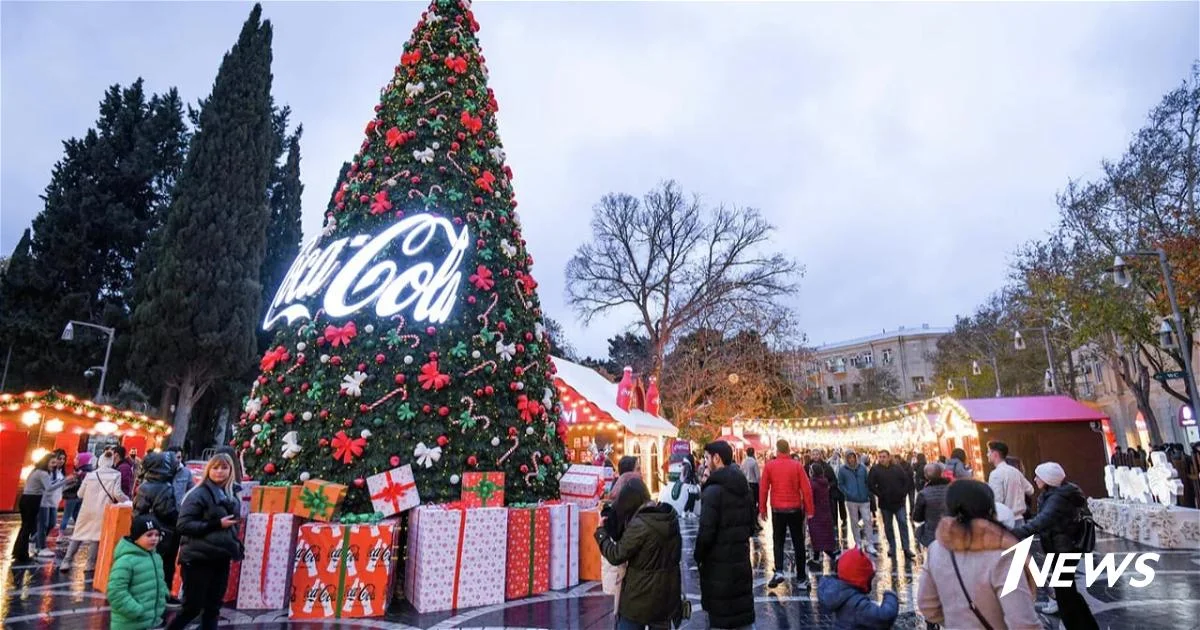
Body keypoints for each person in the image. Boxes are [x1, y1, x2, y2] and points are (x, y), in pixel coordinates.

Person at [917, 480, 1042, 630]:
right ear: (990, 509)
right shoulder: (1004, 555)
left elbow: (927, 605)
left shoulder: (936, 549)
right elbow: (1023, 623)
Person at [1012, 462, 1100, 629]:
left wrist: (1013, 533)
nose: (1035, 479)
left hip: (1063, 550)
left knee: (1065, 595)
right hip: (1062, 548)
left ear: (1048, 480)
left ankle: (1078, 626)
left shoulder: (1057, 498)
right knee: (1067, 593)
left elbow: (1042, 521)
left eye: (1039, 476)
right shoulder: (1057, 494)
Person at [166, 453, 244, 630]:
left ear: (231, 470)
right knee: (191, 608)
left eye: (224, 467)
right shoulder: (198, 494)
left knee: (213, 608)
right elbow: (183, 525)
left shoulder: (232, 494)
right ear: (209, 469)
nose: (219, 472)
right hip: (197, 558)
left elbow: (233, 526)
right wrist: (216, 524)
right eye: (215, 467)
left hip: (220, 557)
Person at [594, 477, 683, 630]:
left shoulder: (640, 524)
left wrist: (601, 533)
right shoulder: (669, 517)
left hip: (639, 598)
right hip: (666, 596)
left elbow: (616, 554)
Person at [695, 441, 755, 630]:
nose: (705, 463)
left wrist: (699, 556)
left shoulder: (713, 491)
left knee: (721, 619)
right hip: (741, 563)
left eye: (707, 458)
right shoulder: (744, 487)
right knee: (742, 617)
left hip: (718, 567)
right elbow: (751, 527)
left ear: (716, 458)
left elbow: (706, 533)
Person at [759, 439, 815, 589]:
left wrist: (762, 508)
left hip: (777, 509)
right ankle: (802, 578)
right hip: (795, 509)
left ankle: (779, 570)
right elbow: (806, 488)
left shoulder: (770, 466)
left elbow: (763, 488)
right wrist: (810, 510)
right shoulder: (796, 466)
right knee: (798, 543)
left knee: (778, 540)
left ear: (777, 450)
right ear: (789, 450)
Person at [61, 454, 129, 571]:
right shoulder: (115, 475)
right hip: (103, 509)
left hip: (86, 509)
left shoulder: (90, 475)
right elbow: (117, 494)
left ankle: (66, 561)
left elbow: (80, 494)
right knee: (96, 537)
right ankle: (90, 564)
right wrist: (127, 500)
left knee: (78, 535)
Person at [133, 452, 182, 608]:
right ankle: (157, 600)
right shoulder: (164, 487)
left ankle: (160, 597)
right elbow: (167, 511)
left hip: (152, 532)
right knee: (162, 568)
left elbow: (138, 512)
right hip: (164, 532)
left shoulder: (145, 486)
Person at [107, 515, 168, 630]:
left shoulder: (156, 557)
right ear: (136, 537)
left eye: (157, 535)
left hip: (149, 621)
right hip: (129, 623)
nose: (154, 538)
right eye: (149, 535)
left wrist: (164, 594)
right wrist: (136, 610)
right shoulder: (125, 561)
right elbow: (115, 593)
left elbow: (159, 580)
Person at [817, 548, 899, 629]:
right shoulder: (857, 604)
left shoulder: (841, 595)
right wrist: (890, 597)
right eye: (870, 578)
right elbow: (884, 616)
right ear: (862, 578)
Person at [13, 454, 63, 563]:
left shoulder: (35, 471)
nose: (54, 465)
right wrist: (64, 482)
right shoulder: (43, 473)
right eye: (52, 463)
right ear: (46, 462)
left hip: (26, 499)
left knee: (25, 527)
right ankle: (22, 554)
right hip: (33, 500)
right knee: (28, 527)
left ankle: (18, 551)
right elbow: (49, 488)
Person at [866, 449, 914, 560]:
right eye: (880, 457)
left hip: (899, 502)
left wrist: (903, 493)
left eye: (884, 456)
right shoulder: (875, 470)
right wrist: (880, 494)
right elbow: (871, 484)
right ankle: (892, 547)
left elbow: (906, 480)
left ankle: (906, 547)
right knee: (888, 526)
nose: (882, 459)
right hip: (885, 503)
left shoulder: (897, 468)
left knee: (902, 523)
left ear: (889, 457)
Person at [986, 441, 1035, 525]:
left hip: (1006, 521)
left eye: (989, 452)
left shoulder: (995, 474)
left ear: (995, 454)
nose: (987, 454)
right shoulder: (1016, 471)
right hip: (1020, 519)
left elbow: (997, 501)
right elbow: (1030, 490)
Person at [838, 450, 876, 555]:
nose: (851, 459)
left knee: (867, 521)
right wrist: (848, 493)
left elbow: (867, 481)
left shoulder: (863, 468)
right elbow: (840, 484)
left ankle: (870, 544)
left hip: (864, 499)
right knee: (854, 522)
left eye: (853, 457)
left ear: (856, 457)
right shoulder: (842, 470)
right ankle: (858, 542)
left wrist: (867, 493)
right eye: (849, 457)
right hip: (851, 500)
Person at [807, 456, 840, 565]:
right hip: (825, 512)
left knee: (816, 536)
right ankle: (819, 557)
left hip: (815, 514)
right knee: (824, 536)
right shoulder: (824, 482)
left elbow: (810, 498)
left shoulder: (812, 484)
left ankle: (831, 555)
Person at [36, 451, 70, 558]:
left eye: (63, 459)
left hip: (54, 502)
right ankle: (40, 546)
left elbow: (60, 487)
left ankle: (34, 541)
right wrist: (64, 481)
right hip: (45, 502)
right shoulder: (48, 472)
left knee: (51, 524)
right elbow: (50, 487)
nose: (61, 461)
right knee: (44, 524)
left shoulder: (60, 472)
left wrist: (69, 483)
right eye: (59, 459)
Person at [912, 462, 950, 548]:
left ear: (926, 476)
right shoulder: (952, 489)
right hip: (951, 531)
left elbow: (917, 517)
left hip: (932, 535)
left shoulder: (923, 494)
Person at [61, 452, 95, 533]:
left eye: (77, 459)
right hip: (81, 497)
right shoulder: (88, 471)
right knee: (76, 515)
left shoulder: (80, 472)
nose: (74, 460)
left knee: (66, 515)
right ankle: (79, 532)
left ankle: (61, 533)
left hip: (72, 496)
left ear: (81, 461)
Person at [741, 447, 761, 515]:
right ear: (753, 453)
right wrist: (760, 486)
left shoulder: (743, 462)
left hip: (746, 484)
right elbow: (758, 476)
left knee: (749, 502)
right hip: (754, 485)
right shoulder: (754, 462)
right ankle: (755, 516)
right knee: (756, 501)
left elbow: (741, 473)